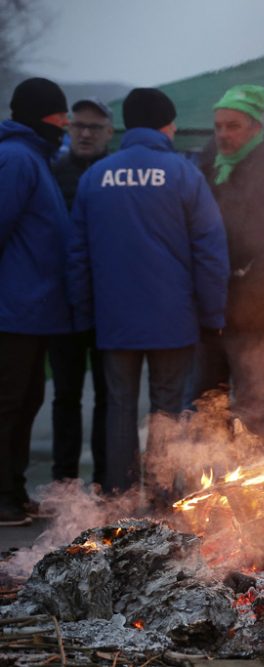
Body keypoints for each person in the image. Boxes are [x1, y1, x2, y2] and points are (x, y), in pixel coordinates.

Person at [68, 88, 229, 498]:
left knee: (120, 407)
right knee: (168, 410)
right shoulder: (183, 174)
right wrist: (213, 316)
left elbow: (77, 254)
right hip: (172, 318)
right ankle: (161, 500)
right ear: (168, 127)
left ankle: (119, 500)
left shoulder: (95, 176)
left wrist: (84, 314)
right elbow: (210, 251)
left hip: (115, 318)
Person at [192, 84, 264, 442]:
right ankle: (210, 481)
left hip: (251, 313)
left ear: (255, 127)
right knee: (209, 402)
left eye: (233, 126)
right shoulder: (208, 166)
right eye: (219, 126)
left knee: (254, 401)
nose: (223, 134)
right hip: (209, 308)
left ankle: (260, 484)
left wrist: (250, 301)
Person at [0, 78, 72, 526]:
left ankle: (14, 489)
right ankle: (1, 496)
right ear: (42, 116)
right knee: (7, 403)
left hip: (33, 309)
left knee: (26, 401)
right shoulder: (15, 158)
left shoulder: (34, 157)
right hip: (13, 310)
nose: (65, 125)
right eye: (59, 116)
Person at [49, 98, 115, 487]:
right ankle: (64, 481)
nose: (86, 133)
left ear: (109, 132)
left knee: (109, 396)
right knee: (66, 395)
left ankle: (106, 481)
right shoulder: (53, 173)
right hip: (64, 305)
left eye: (95, 127)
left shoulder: (114, 175)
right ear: (68, 129)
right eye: (79, 126)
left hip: (109, 306)